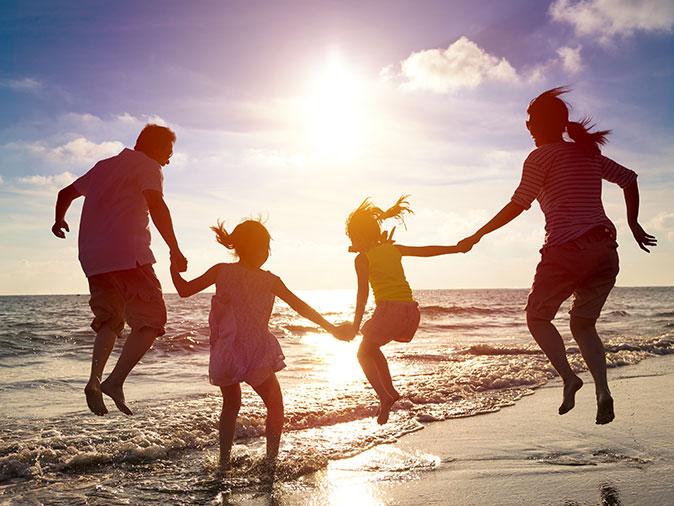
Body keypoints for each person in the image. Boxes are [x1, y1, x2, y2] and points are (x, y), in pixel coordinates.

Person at [458, 87, 656, 424]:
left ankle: (569, 378)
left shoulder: (541, 157)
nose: (527, 125)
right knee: (583, 324)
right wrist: (633, 224)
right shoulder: (586, 154)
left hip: (567, 249)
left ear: (546, 124)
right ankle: (602, 391)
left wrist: (478, 233)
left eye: (532, 120)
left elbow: (518, 204)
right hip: (606, 251)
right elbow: (629, 179)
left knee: (537, 317)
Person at [170, 219, 352, 470]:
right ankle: (270, 460)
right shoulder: (270, 280)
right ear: (258, 248)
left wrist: (172, 265)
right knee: (275, 404)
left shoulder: (220, 270)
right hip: (256, 352)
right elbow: (301, 307)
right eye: (265, 247)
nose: (266, 253)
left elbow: (183, 290)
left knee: (231, 405)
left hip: (227, 352)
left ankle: (223, 463)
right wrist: (331, 328)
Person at [51, 124, 188, 417]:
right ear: (154, 147)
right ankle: (115, 382)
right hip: (130, 255)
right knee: (152, 320)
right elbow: (157, 204)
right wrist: (175, 249)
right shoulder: (148, 166)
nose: (168, 159)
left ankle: (94, 379)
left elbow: (65, 193)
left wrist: (58, 221)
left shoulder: (103, 167)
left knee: (110, 320)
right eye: (168, 152)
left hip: (93, 259)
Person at [344, 196, 468, 424]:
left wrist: (354, 325)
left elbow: (362, 295)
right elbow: (426, 251)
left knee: (363, 353)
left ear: (360, 237)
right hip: (410, 313)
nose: (351, 242)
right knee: (372, 349)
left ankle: (385, 395)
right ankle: (389, 393)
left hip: (388, 311)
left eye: (352, 237)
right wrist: (456, 248)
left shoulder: (362, 259)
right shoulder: (394, 249)